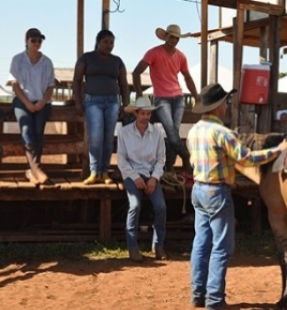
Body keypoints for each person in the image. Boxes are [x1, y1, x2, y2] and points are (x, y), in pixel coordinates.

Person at [186, 83, 287, 310]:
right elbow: (247, 159)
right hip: (217, 191)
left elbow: (193, 161)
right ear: (218, 106)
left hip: (199, 188)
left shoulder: (194, 131)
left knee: (200, 243)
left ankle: (198, 294)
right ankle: (214, 299)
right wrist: (278, 151)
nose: (227, 106)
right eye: (225, 102)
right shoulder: (223, 133)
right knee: (222, 246)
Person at [132, 24, 199, 174]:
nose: (174, 40)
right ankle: (186, 157)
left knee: (172, 132)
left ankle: (169, 168)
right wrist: (139, 95)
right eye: (171, 37)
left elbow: (187, 77)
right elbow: (136, 72)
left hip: (178, 98)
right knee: (171, 131)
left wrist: (196, 96)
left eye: (177, 38)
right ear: (166, 36)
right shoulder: (153, 53)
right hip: (162, 99)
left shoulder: (181, 56)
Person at [73, 29, 130, 185]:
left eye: (111, 42)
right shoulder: (87, 58)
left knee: (108, 138)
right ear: (98, 42)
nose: (109, 45)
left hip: (112, 102)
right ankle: (94, 172)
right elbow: (77, 80)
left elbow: (124, 84)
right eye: (105, 42)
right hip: (93, 101)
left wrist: (125, 104)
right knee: (96, 137)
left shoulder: (117, 61)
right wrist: (78, 102)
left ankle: (105, 172)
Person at [117, 97, 167, 262]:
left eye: (148, 113)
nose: (146, 116)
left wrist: (154, 178)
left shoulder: (157, 133)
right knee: (135, 205)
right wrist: (135, 177)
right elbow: (121, 161)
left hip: (151, 174)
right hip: (132, 174)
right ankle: (132, 247)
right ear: (136, 113)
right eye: (143, 113)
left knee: (161, 207)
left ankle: (158, 245)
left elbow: (161, 159)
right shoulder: (124, 133)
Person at [9, 28, 55, 185]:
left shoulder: (47, 62)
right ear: (26, 41)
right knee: (27, 131)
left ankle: (33, 170)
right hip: (22, 100)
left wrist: (42, 102)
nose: (37, 43)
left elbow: (50, 86)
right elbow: (14, 84)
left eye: (39, 40)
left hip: (42, 101)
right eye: (33, 40)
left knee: (38, 133)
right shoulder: (17, 60)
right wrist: (27, 102)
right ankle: (37, 169)